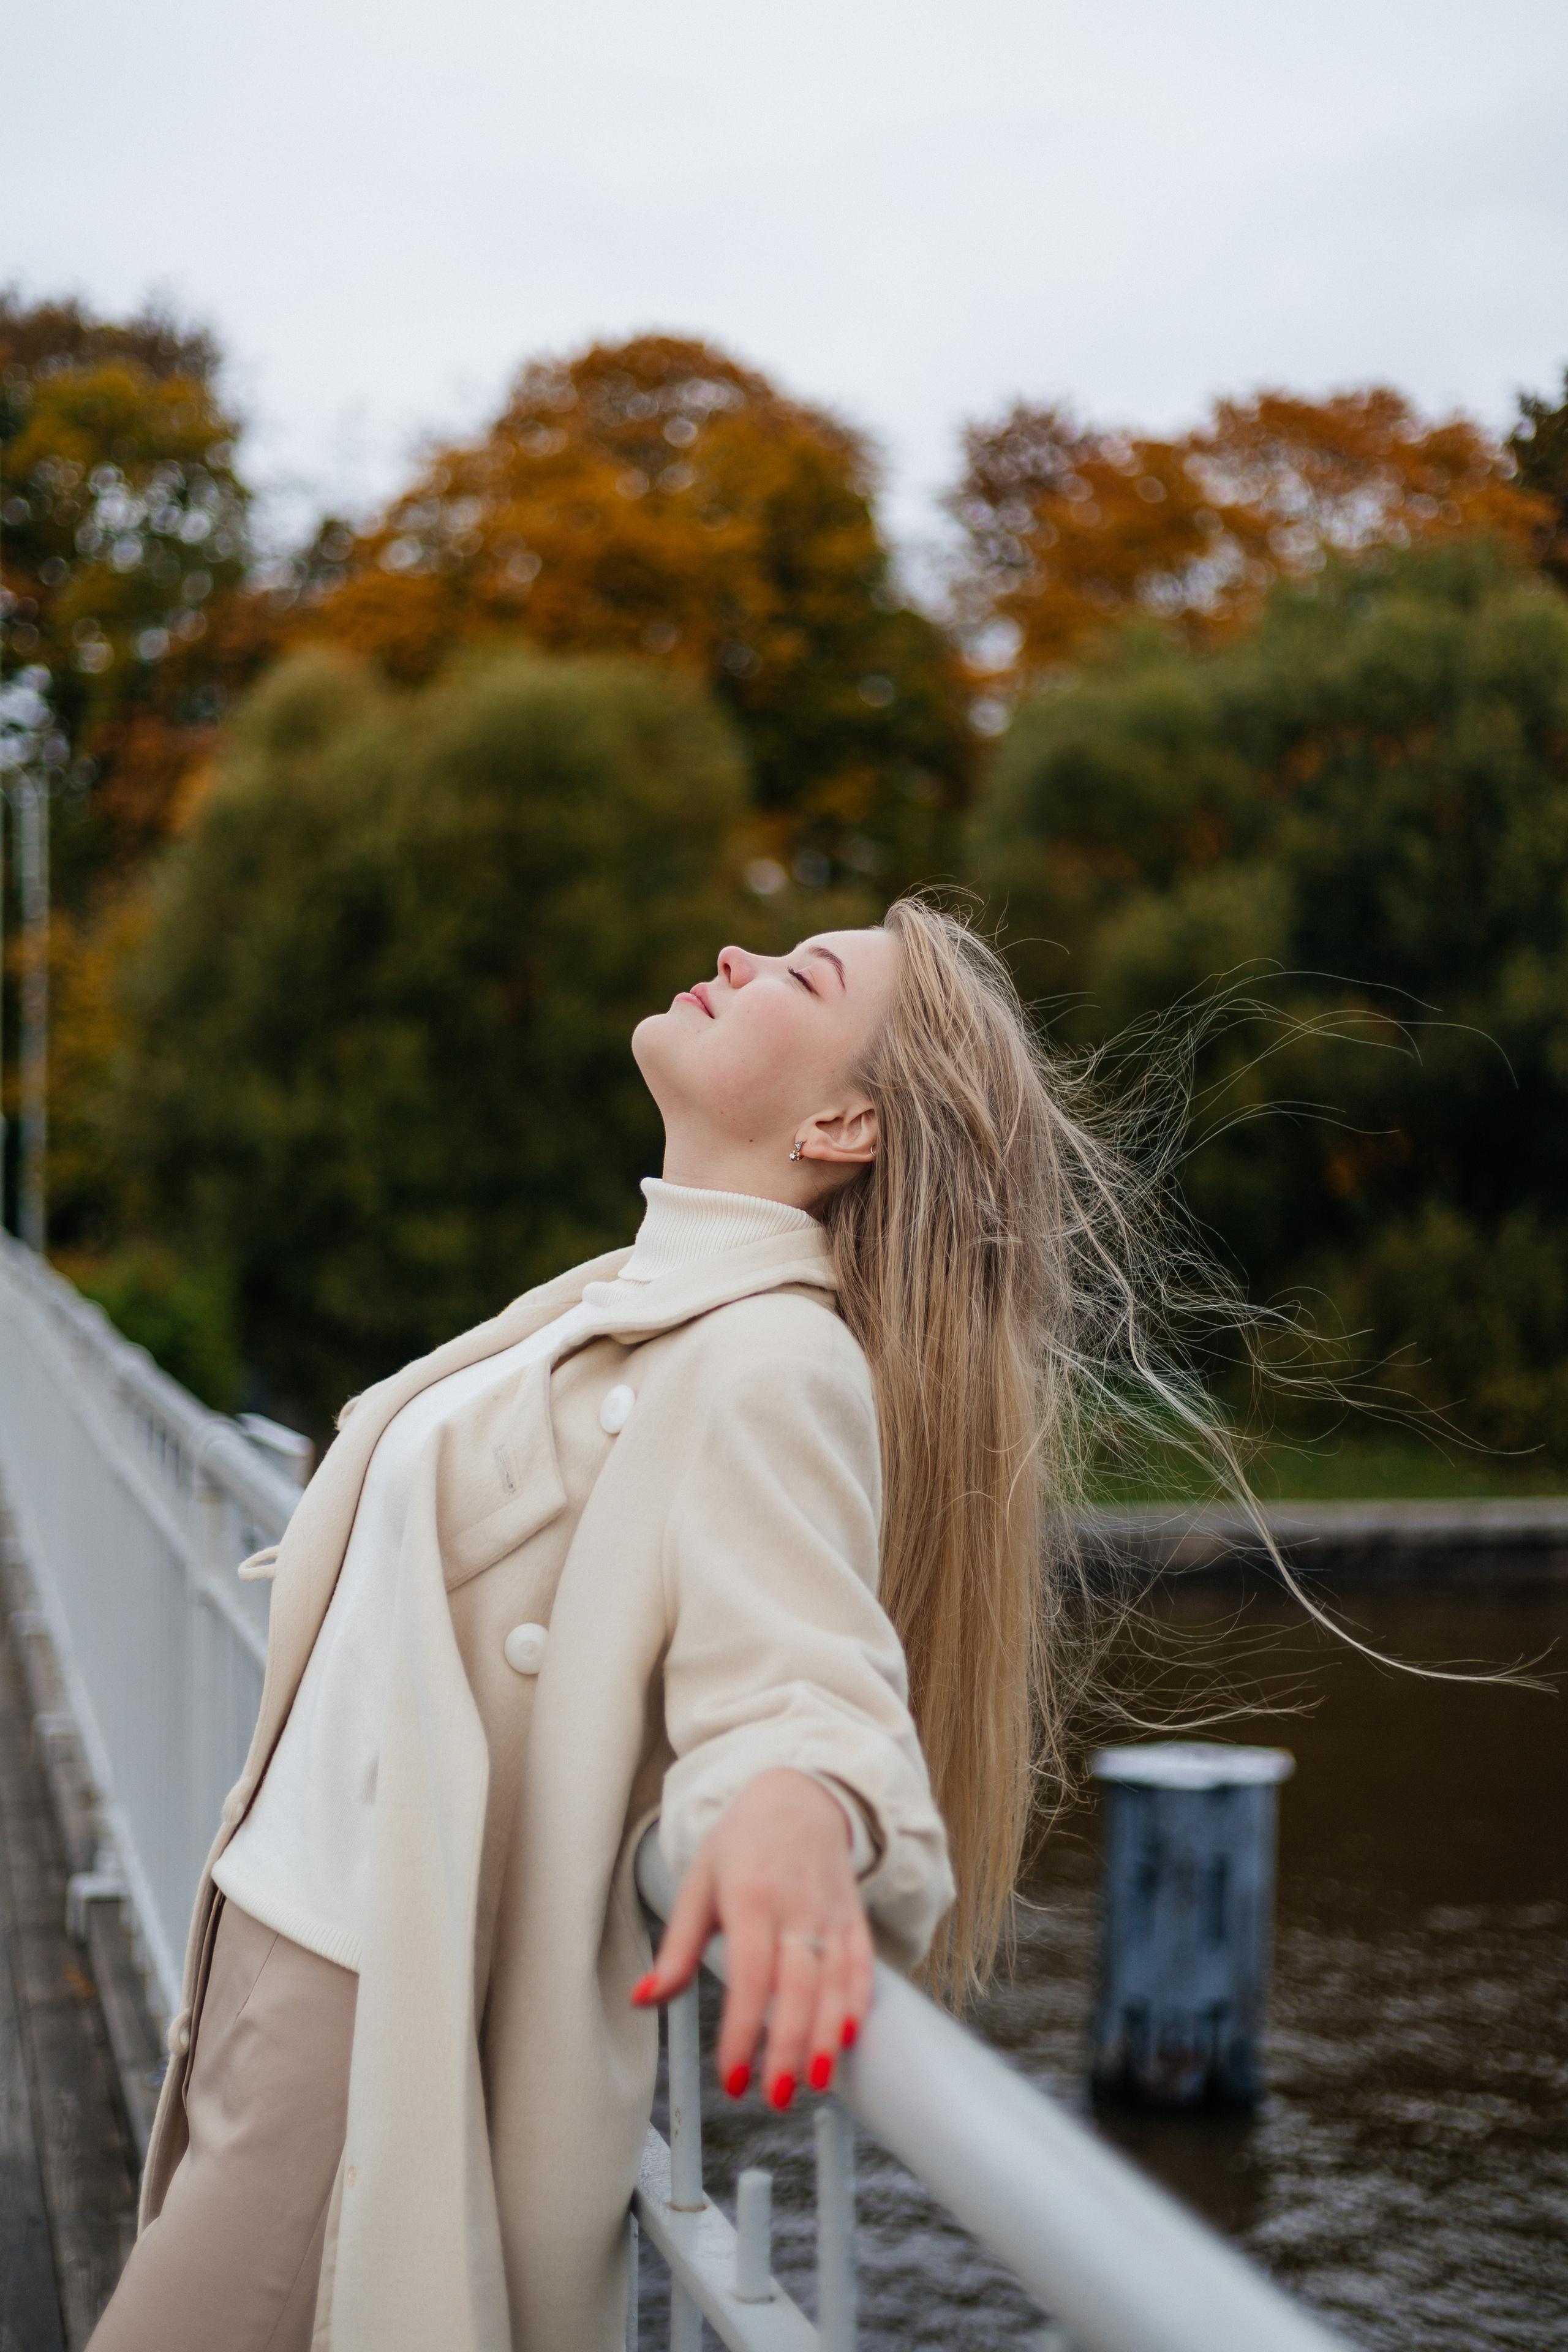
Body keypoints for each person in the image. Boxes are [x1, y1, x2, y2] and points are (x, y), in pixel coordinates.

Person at [89, 896, 1115, 2352]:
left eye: (801, 974)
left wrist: (795, 1806)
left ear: (843, 1126)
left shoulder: (770, 1358)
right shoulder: (631, 1296)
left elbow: (792, 1669)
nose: (737, 958)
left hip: (369, 2007)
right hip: (274, 1925)